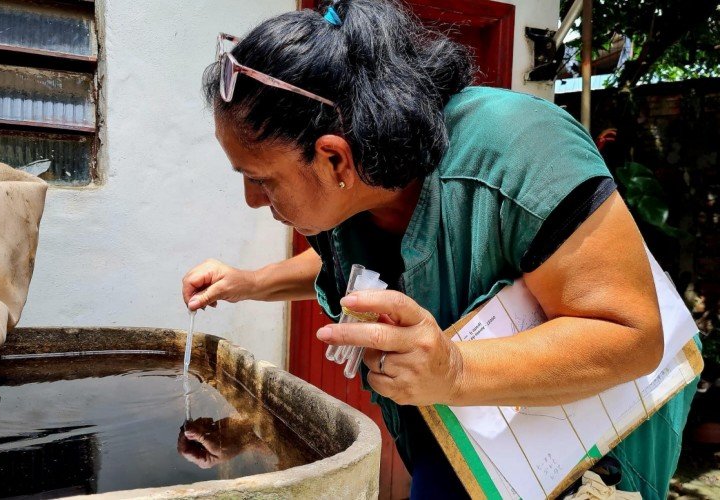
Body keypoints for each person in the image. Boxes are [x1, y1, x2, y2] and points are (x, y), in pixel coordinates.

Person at [182, 1, 697, 497]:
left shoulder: (522, 147)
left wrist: (456, 369)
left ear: (334, 160)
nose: (252, 200)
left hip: (584, 457)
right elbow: (353, 257)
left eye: (260, 180)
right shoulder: (362, 180)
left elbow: (633, 334)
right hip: (464, 449)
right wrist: (249, 283)